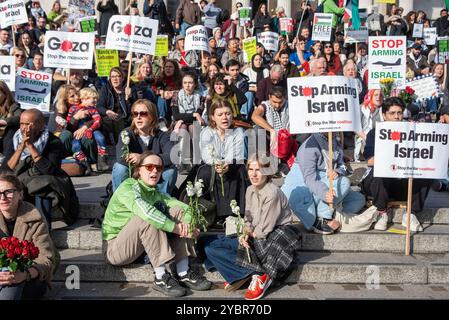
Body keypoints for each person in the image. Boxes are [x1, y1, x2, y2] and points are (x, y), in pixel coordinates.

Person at [103, 151, 212, 297]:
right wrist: (176, 229)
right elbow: (147, 213)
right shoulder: (128, 187)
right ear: (138, 170)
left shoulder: (155, 192)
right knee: (147, 216)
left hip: (139, 247)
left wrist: (189, 226)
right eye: (149, 167)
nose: (155, 170)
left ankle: (183, 271)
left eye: (159, 168)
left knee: (177, 210)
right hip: (115, 249)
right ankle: (160, 276)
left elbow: (184, 208)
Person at [200, 153, 301, 300]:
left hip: (274, 235)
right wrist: (245, 232)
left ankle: (258, 276)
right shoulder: (250, 190)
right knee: (209, 246)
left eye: (258, 170)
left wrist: (248, 236)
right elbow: (248, 219)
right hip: (255, 234)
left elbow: (264, 229)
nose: (253, 174)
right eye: (250, 169)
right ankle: (244, 274)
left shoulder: (272, 192)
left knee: (241, 247)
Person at [361, 97, 434, 232]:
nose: (396, 117)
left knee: (427, 171)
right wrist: (392, 157)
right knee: (380, 171)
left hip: (403, 182)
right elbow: (370, 161)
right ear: (384, 115)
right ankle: (382, 212)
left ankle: (411, 214)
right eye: (392, 113)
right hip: (380, 184)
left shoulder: (412, 132)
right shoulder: (374, 133)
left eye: (399, 113)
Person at [1, 109, 78, 227]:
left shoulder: (53, 141)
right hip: (21, 177)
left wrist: (30, 146)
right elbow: (7, 169)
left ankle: (44, 229)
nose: (23, 128)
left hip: (43, 178)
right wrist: (21, 147)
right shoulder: (14, 138)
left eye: (28, 124)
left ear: (41, 125)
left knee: (43, 189)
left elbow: (49, 170)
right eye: (21, 123)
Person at [281, 132, 366, 235]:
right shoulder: (308, 147)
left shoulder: (335, 141)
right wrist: (325, 193)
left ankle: (330, 213)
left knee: (358, 199)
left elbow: (342, 165)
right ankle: (324, 218)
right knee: (344, 182)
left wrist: (338, 172)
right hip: (306, 188)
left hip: (324, 183)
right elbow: (309, 179)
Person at [191, 100, 249, 224]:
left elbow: (237, 154)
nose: (224, 117)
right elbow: (207, 156)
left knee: (240, 170)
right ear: (213, 117)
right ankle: (211, 213)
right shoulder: (206, 132)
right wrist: (218, 164)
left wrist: (227, 164)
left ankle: (236, 213)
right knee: (206, 172)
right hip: (212, 165)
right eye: (220, 114)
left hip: (231, 164)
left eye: (227, 114)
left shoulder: (238, 132)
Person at [0, 173, 57, 300]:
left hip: (29, 276)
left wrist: (24, 274)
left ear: (20, 194)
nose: (3, 197)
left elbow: (46, 260)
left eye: (8, 192)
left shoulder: (34, 217)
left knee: (12, 290)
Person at [112, 99, 177, 194]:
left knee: (170, 171)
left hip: (154, 174)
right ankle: (122, 201)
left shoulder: (163, 136)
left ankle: (159, 203)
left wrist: (142, 159)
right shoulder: (126, 133)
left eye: (143, 114)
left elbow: (171, 156)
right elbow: (121, 157)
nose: (138, 117)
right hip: (134, 174)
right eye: (135, 113)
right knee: (119, 168)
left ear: (152, 117)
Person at [66, 88, 109, 174]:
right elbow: (69, 121)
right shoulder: (73, 109)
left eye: (96, 98)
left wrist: (90, 129)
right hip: (77, 131)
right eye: (93, 98)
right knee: (75, 145)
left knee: (100, 138)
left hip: (92, 130)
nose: (95, 100)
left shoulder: (93, 109)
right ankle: (84, 164)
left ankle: (102, 161)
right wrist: (75, 118)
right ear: (83, 99)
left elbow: (98, 121)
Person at [171, 73, 205, 167]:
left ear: (195, 84)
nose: (187, 85)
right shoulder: (176, 95)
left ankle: (196, 159)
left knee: (194, 128)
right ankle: (182, 160)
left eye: (190, 83)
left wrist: (193, 115)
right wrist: (194, 114)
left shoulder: (200, 96)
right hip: (179, 122)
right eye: (185, 83)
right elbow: (176, 115)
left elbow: (199, 114)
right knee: (182, 129)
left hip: (194, 122)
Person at [97, 67, 134, 145]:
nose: (115, 79)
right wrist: (107, 111)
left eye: (118, 76)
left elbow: (133, 108)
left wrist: (130, 97)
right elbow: (99, 106)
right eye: (113, 77)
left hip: (125, 118)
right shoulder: (106, 88)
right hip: (110, 117)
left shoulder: (129, 88)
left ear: (123, 78)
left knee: (121, 122)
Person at [354, 89, 383, 162]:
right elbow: (355, 127)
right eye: (376, 95)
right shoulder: (361, 108)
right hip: (364, 137)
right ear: (370, 96)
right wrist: (367, 138)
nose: (378, 97)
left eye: (381, 95)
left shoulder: (384, 110)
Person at [154, 60, 183, 127]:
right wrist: (160, 92)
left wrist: (173, 93)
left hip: (176, 105)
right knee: (162, 98)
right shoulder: (159, 79)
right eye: (166, 67)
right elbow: (153, 88)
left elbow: (184, 91)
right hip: (162, 105)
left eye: (170, 67)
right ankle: (162, 121)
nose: (168, 69)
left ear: (175, 69)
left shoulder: (180, 79)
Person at [0, 81, 21, 155]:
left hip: (7, 140)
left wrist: (3, 121)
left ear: (5, 94)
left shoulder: (14, 106)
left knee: (10, 130)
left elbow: (19, 118)